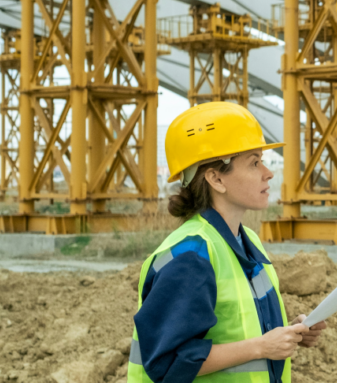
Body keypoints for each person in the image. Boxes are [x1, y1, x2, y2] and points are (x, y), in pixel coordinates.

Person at [127, 102, 326, 383]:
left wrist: (290, 333)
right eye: (254, 162)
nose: (268, 173)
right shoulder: (191, 255)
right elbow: (168, 362)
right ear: (216, 178)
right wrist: (261, 346)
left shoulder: (245, 240)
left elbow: (237, 327)